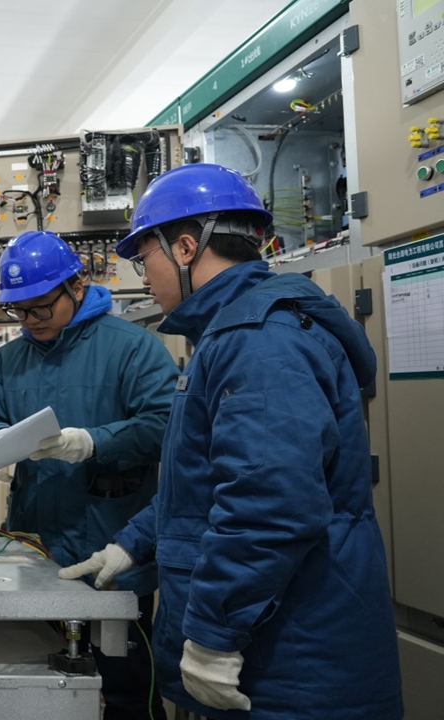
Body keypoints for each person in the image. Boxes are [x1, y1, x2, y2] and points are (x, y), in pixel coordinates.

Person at [60, 163, 403, 719]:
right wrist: (133, 543)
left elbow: (270, 504)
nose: (143, 277)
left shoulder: (258, 341)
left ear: (186, 248)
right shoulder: (231, 335)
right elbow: (208, 482)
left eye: (144, 258)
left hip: (292, 661)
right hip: (275, 647)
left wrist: (214, 634)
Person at [0, 230, 177, 720]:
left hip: (113, 553)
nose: (30, 321)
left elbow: (167, 425)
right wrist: (0, 437)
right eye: (18, 311)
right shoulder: (11, 358)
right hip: (35, 552)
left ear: (77, 287)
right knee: (40, 689)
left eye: (40, 307)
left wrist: (94, 442)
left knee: (125, 692)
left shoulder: (131, 347)